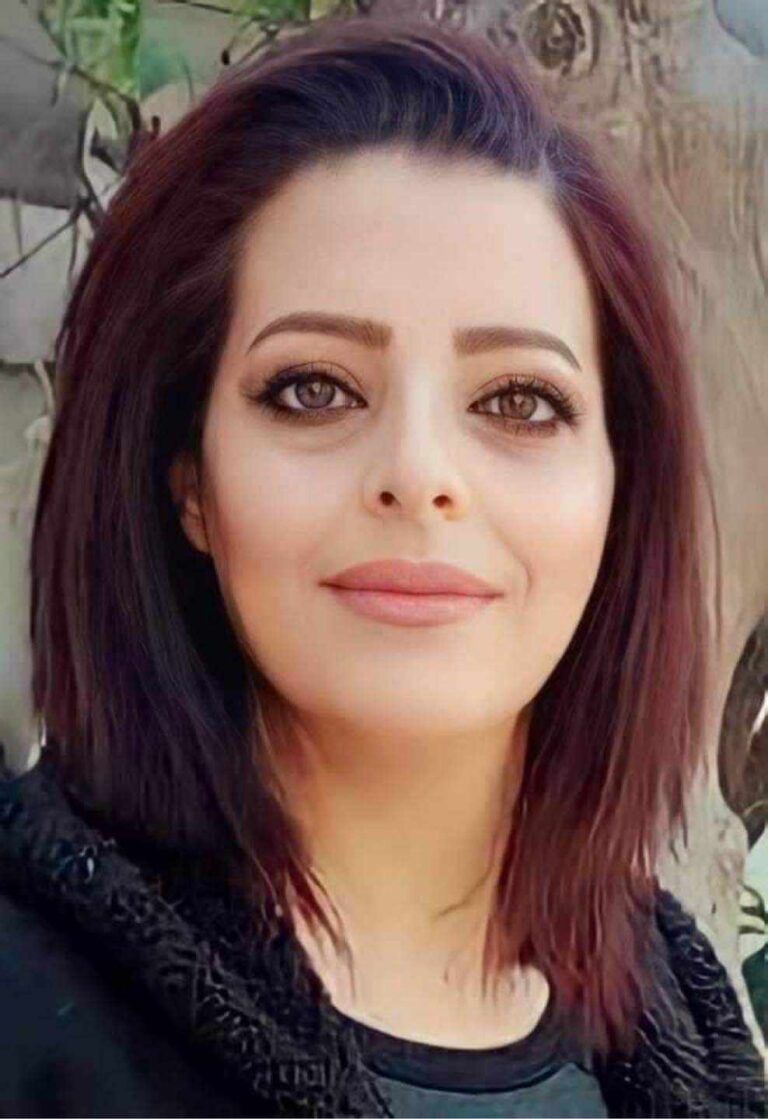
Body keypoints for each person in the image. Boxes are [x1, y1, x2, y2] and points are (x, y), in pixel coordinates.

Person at [0, 14, 765, 1118]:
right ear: (190, 480)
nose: (419, 474)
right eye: (314, 389)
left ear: (618, 486)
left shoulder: (682, 1016)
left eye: (518, 401)